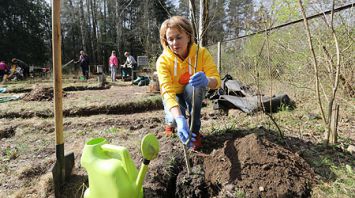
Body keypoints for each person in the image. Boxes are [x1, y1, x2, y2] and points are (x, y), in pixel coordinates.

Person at [156, 16, 221, 150]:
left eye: (179, 37)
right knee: (174, 119)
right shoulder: (163, 61)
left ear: (188, 36)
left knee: (196, 87)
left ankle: (195, 131)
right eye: (170, 39)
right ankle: (170, 123)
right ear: (166, 41)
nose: (175, 43)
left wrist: (207, 80)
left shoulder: (201, 53)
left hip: (190, 91)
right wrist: (180, 119)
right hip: (173, 94)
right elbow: (167, 92)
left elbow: (217, 81)